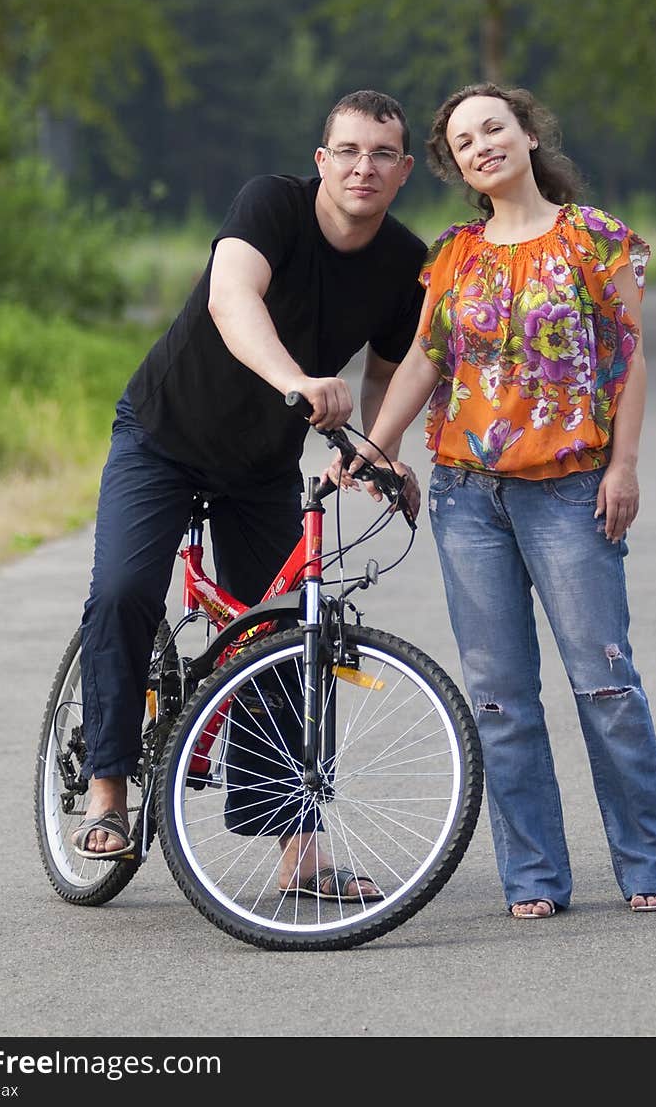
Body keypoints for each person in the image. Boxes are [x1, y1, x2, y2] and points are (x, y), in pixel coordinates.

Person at [343, 81, 656, 918]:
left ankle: (651, 859)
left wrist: (624, 465)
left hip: (571, 491)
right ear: (456, 165)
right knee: (499, 697)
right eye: (464, 141)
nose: (482, 145)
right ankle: (533, 876)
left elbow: (629, 358)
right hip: (469, 501)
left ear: (528, 135)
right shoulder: (455, 253)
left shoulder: (593, 240)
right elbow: (425, 359)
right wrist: (375, 444)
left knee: (605, 685)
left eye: (494, 128)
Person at [72, 88, 426, 903]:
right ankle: (109, 788)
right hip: (163, 434)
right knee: (124, 591)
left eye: (381, 154)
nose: (362, 167)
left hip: (261, 465)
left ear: (404, 170)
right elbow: (233, 300)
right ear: (321, 160)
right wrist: (296, 379)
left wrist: (380, 451)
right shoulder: (271, 204)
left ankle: (298, 848)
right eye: (347, 150)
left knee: (285, 630)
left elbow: (386, 368)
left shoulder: (402, 263)